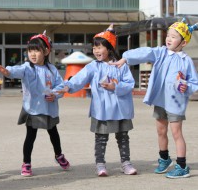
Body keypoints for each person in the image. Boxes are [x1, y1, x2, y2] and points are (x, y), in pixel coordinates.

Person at [111, 18, 198, 179]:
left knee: (176, 132)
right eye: (168, 35)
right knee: (160, 131)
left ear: (183, 42)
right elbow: (145, 52)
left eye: (174, 36)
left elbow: (194, 83)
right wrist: (126, 58)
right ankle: (164, 158)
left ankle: (182, 165)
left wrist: (187, 86)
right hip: (160, 100)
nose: (169, 39)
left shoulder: (186, 61)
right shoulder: (161, 52)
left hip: (176, 102)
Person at [58, 24, 137, 177]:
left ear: (110, 48)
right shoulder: (92, 66)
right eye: (94, 48)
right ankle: (100, 164)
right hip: (102, 109)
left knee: (123, 137)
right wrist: (68, 86)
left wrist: (115, 86)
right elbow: (79, 79)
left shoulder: (121, 65)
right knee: (101, 138)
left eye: (100, 47)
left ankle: (126, 163)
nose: (96, 51)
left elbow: (129, 84)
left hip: (121, 109)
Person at [0, 31, 70, 177]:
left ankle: (59, 155)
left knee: (53, 133)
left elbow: (60, 86)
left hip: (49, 107)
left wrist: (54, 94)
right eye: (30, 50)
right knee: (30, 135)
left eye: (37, 50)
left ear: (47, 51)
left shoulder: (52, 69)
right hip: (32, 108)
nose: (33, 54)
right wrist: (8, 72)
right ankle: (26, 163)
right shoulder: (27, 67)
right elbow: (17, 70)